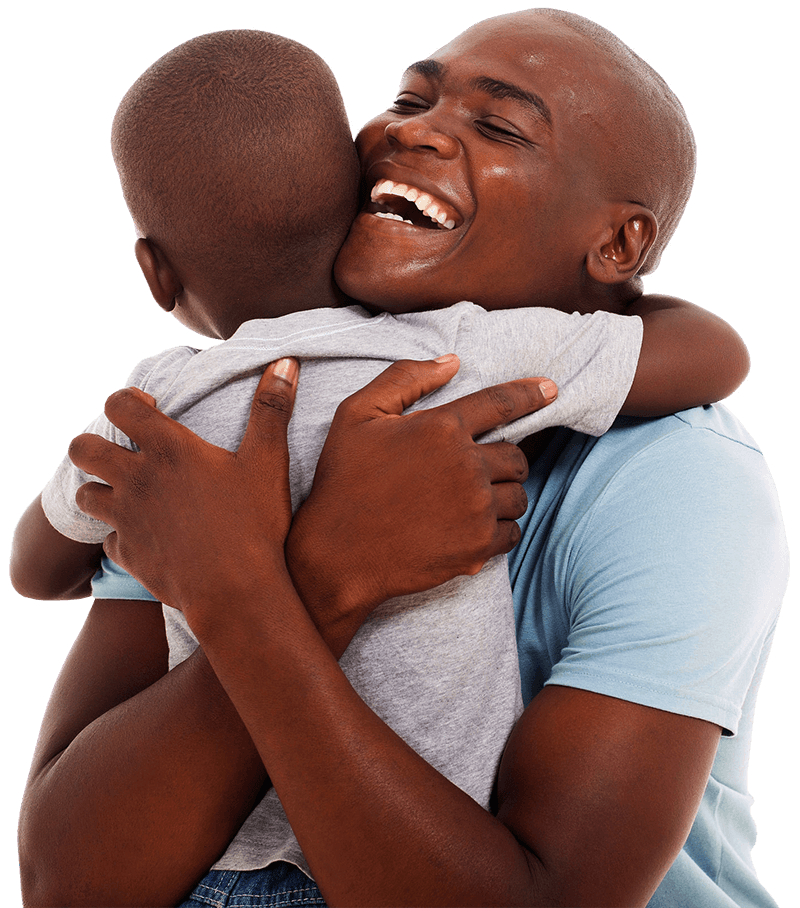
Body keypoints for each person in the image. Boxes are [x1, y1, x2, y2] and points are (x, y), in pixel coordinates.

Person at [14, 10, 782, 907]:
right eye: (408, 100)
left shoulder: (676, 478)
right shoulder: (220, 418)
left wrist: (256, 588)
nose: (411, 131)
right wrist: (327, 570)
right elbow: (71, 884)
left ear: (617, 246)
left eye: (499, 126)